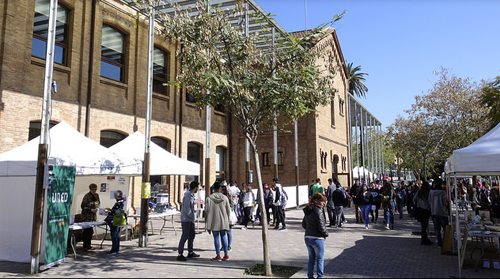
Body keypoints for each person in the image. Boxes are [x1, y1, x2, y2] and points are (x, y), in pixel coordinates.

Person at [302, 193, 329, 279]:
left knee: (311, 259)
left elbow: (303, 224)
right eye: (322, 201)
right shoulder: (318, 211)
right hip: (317, 238)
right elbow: (322, 227)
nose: (323, 203)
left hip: (308, 237)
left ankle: (310, 276)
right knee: (320, 259)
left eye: (324, 201)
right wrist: (326, 234)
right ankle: (320, 277)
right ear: (315, 200)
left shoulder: (308, 210)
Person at [205, 181, 231, 261]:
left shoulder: (209, 198)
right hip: (223, 220)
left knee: (216, 237)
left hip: (213, 220)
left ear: (214, 188)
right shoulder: (225, 198)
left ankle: (218, 255)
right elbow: (228, 210)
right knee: (223, 237)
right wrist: (228, 219)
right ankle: (226, 254)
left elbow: (206, 210)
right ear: (220, 188)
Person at [176, 181, 200, 261]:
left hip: (190, 219)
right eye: (197, 188)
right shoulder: (187, 196)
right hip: (186, 219)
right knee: (185, 236)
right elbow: (187, 209)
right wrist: (193, 216)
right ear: (195, 187)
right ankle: (180, 253)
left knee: (192, 235)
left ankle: (190, 251)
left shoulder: (192, 195)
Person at [428, 179, 449, 247]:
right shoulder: (443, 192)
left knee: (437, 228)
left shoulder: (431, 192)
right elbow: (444, 203)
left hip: (434, 211)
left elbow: (429, 201)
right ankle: (446, 241)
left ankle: (439, 241)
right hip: (442, 211)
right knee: (445, 227)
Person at [81, 183, 100, 252]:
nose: (94, 191)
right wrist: (90, 209)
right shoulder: (87, 196)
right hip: (86, 216)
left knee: (90, 231)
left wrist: (97, 208)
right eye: (93, 190)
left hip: (92, 216)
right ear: (90, 189)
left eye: (95, 189)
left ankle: (89, 245)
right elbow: (83, 206)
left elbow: (98, 203)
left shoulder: (96, 195)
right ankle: (85, 246)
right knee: (86, 231)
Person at [105, 190, 125, 255]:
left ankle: (114, 249)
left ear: (116, 196)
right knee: (116, 234)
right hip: (118, 220)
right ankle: (116, 248)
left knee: (114, 234)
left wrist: (108, 211)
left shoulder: (118, 203)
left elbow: (115, 212)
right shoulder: (121, 202)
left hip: (115, 220)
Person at [414, 181, 433, 246]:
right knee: (425, 225)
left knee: (423, 226)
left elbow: (414, 198)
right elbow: (430, 201)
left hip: (420, 210)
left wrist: (418, 203)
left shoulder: (419, 192)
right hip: (427, 210)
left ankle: (425, 239)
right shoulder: (428, 193)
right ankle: (424, 240)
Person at [221, 185, 234, 251]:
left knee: (228, 232)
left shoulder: (228, 197)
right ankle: (225, 245)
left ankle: (228, 246)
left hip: (227, 216)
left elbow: (233, 205)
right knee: (224, 232)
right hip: (223, 216)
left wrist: (229, 207)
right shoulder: (222, 197)